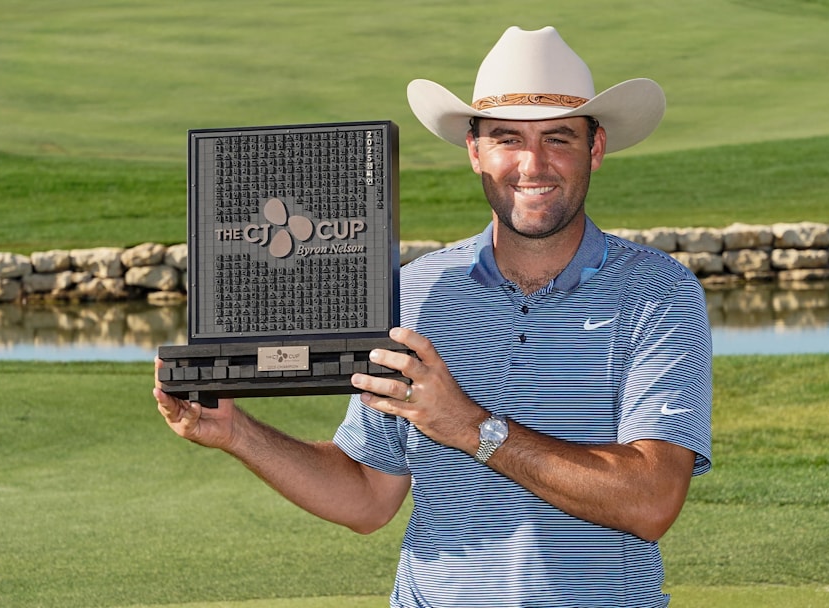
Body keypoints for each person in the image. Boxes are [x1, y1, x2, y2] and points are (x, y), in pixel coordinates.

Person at [155, 25, 712, 608]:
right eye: (507, 139)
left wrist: (469, 426)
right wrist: (236, 433)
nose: (533, 163)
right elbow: (369, 496)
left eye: (559, 138)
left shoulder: (659, 293)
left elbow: (650, 501)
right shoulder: (415, 294)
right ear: (475, 150)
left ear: (594, 148)